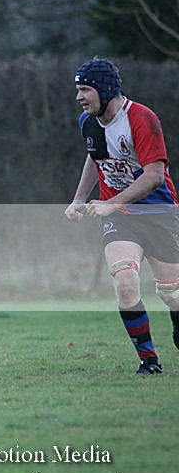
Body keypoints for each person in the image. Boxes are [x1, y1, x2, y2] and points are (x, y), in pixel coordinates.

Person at [65, 58, 179, 375]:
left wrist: (112, 202)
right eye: (78, 90)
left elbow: (156, 175)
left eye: (85, 89)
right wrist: (78, 199)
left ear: (106, 90)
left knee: (172, 292)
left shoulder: (142, 119)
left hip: (159, 213)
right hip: (122, 218)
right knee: (125, 281)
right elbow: (95, 158)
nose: (79, 97)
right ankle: (148, 360)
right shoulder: (88, 122)